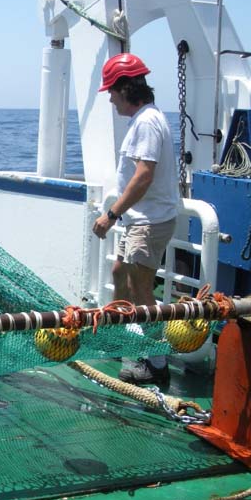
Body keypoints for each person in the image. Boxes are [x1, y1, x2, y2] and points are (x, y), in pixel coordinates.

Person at [91, 52, 179, 385]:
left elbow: (143, 176)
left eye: (112, 90)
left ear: (127, 88)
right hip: (140, 220)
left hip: (148, 221)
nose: (111, 98)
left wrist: (111, 214)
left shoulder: (145, 122)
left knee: (142, 291)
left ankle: (156, 364)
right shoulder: (145, 119)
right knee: (120, 274)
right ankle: (115, 338)